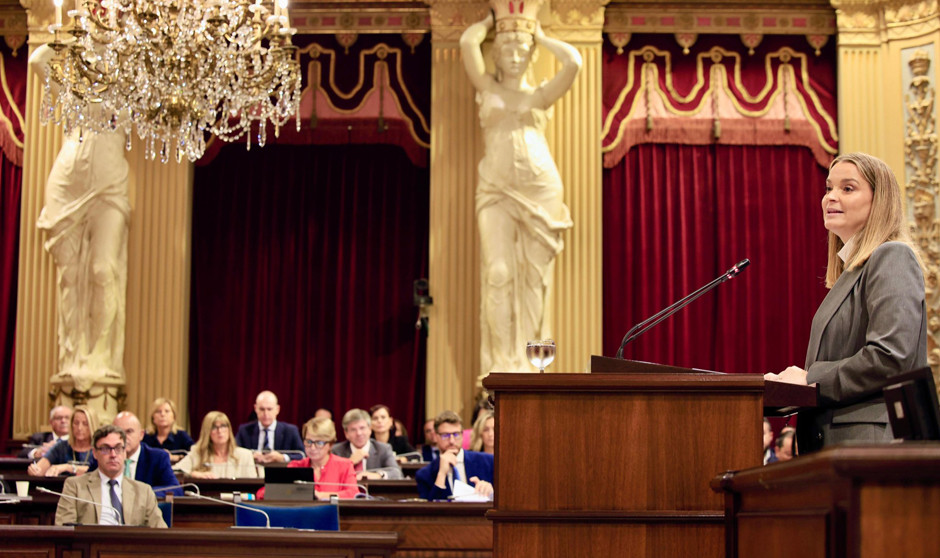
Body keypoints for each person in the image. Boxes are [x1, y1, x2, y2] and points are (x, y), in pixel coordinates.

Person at [765, 152, 927, 454]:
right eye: (828, 188)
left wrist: (808, 378)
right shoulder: (853, 271)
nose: (831, 197)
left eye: (847, 188)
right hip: (838, 448)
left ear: (879, 201)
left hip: (872, 448)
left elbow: (890, 358)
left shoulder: (891, 256)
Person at [460, 6, 581, 377]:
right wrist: (488, 24)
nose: (514, 56)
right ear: (496, 52)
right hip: (496, 189)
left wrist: (541, 38)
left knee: (535, 280)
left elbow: (574, 63)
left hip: (541, 187)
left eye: (522, 50)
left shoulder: (540, 95)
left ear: (531, 55)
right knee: (497, 273)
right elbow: (467, 43)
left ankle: (533, 365)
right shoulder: (487, 87)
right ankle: (500, 363)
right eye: (507, 49)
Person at [30, 45, 131, 392]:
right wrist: (66, 36)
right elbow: (36, 61)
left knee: (103, 270)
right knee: (70, 276)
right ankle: (71, 354)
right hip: (66, 186)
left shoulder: (131, 93)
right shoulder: (71, 94)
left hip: (109, 187)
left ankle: (99, 355)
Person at [54, 424, 166, 527]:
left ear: (124, 452)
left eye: (118, 448)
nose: (113, 455)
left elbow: (161, 533)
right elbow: (63, 528)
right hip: (91, 546)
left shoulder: (143, 491)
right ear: (95, 453)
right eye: (105, 449)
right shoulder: (75, 486)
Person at [258, 417, 358, 500]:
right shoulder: (296, 466)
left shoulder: (345, 465)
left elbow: (354, 494)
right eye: (309, 442)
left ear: (330, 445)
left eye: (319, 443)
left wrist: (321, 495)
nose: (312, 448)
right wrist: (290, 492)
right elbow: (262, 493)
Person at [89, 412, 182, 496]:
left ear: (141, 435)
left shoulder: (157, 458)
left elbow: (175, 490)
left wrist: (139, 493)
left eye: (129, 431)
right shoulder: (103, 455)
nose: (124, 437)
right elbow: (86, 486)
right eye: (119, 432)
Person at [416, 411, 494, 500]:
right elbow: (429, 511)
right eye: (445, 435)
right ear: (436, 437)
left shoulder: (488, 462)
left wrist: (491, 493)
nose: (452, 441)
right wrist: (441, 474)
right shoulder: (425, 474)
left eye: (456, 434)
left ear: (462, 435)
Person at [175, 411, 258, 479]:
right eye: (214, 427)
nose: (220, 431)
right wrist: (193, 474)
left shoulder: (245, 455)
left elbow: (253, 486)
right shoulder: (197, 453)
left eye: (223, 426)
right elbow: (175, 472)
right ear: (207, 432)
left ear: (229, 429)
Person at [331, 409, 403, 480]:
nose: (359, 433)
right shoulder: (337, 451)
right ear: (346, 433)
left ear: (370, 429)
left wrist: (377, 475)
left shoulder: (383, 449)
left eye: (362, 428)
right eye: (353, 430)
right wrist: (350, 462)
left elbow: (397, 473)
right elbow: (330, 476)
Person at [234, 390, 304, 463]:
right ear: (255, 409)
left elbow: (302, 455)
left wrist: (282, 457)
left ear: (277, 409)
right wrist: (250, 456)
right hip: (253, 471)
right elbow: (234, 453)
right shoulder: (244, 430)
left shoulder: (290, 431)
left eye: (269, 409)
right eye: (262, 409)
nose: (266, 413)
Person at [28, 405, 98, 477]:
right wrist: (34, 470)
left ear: (92, 425)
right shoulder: (61, 446)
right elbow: (40, 468)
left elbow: (98, 471)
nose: (79, 428)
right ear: (71, 425)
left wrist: (67, 467)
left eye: (85, 424)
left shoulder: (99, 448)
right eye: (76, 423)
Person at [142, 397, 193, 463]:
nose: (162, 414)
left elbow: (195, 455)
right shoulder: (146, 437)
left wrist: (176, 457)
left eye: (167, 411)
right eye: (158, 411)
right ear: (153, 418)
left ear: (174, 417)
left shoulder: (182, 436)